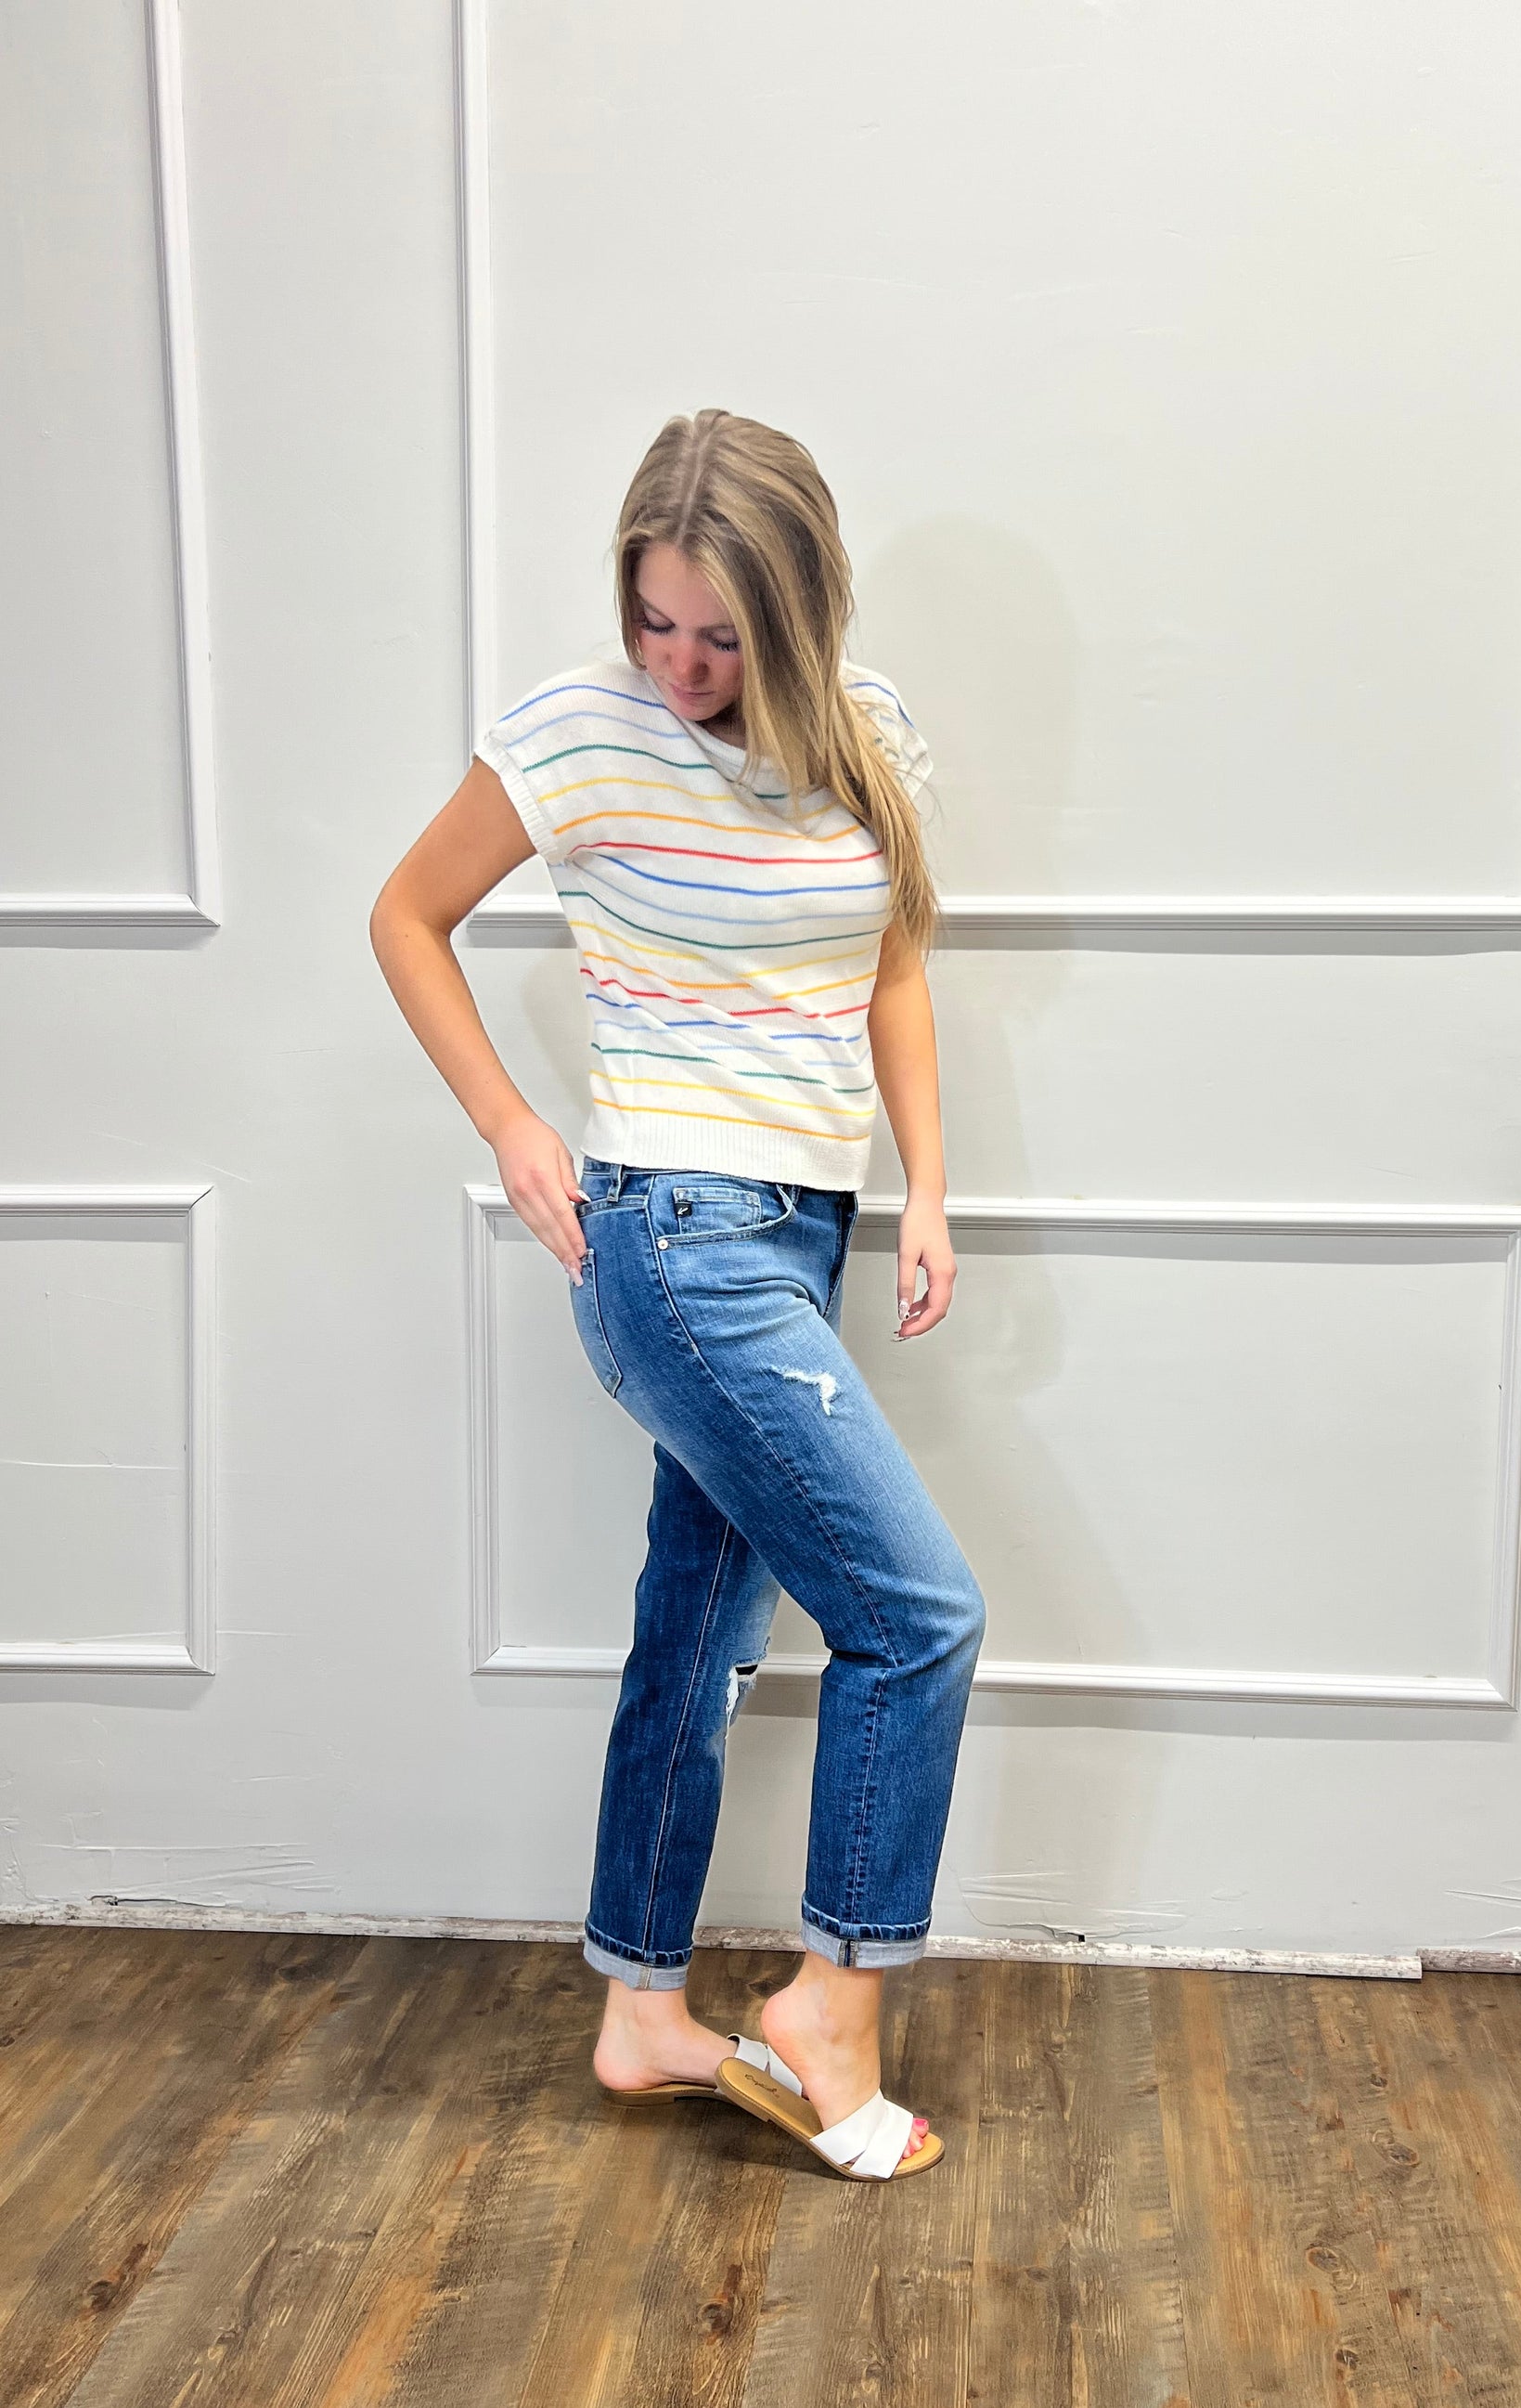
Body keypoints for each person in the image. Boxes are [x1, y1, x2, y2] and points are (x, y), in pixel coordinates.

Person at [369, 408, 986, 2181]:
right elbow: (404, 913)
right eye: (656, 622)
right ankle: (831, 2004)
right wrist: (509, 1120)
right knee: (917, 1615)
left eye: (721, 634)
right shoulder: (575, 730)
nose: (682, 664)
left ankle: (642, 2002)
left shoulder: (869, 736)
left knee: (700, 1625)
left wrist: (927, 1186)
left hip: (796, 1230)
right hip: (670, 1237)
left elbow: (893, 971)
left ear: (798, 614)